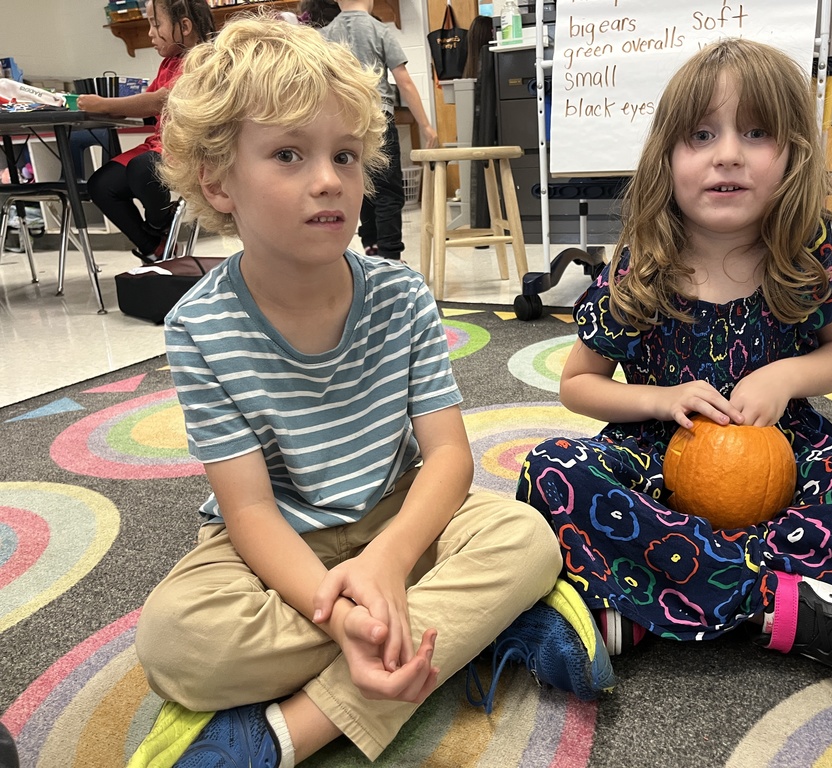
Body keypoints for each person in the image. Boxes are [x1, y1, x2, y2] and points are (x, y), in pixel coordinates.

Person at [129, 16, 603, 766]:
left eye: (345, 155)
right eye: (289, 154)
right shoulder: (199, 328)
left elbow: (448, 458)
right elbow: (248, 509)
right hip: (276, 550)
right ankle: (469, 632)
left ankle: (287, 732)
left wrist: (387, 563)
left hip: (401, 518)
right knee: (175, 640)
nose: (329, 179)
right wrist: (339, 611)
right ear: (218, 181)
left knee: (525, 540)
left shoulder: (401, 294)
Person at [517, 38, 832, 711]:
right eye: (701, 135)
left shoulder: (811, 255)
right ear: (667, 159)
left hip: (789, 468)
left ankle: (654, 602)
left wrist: (788, 376)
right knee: (552, 471)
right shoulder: (638, 268)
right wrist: (658, 397)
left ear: (791, 154)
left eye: (756, 133)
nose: (728, 153)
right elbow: (578, 385)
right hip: (655, 475)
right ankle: (792, 608)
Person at [79, 0, 214, 262]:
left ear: (184, 26)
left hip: (187, 149)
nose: (150, 32)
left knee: (144, 168)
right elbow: (147, 98)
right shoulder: (169, 62)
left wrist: (104, 104)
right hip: (157, 146)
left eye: (156, 23)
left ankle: (158, 225)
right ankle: (154, 247)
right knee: (101, 185)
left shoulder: (204, 60)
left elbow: (158, 101)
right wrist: (105, 107)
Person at [319, 0, 439, 260]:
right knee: (388, 191)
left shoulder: (324, 35)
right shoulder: (380, 30)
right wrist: (426, 126)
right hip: (378, 120)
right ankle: (391, 256)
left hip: (343, 124)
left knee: (360, 188)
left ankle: (371, 249)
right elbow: (404, 82)